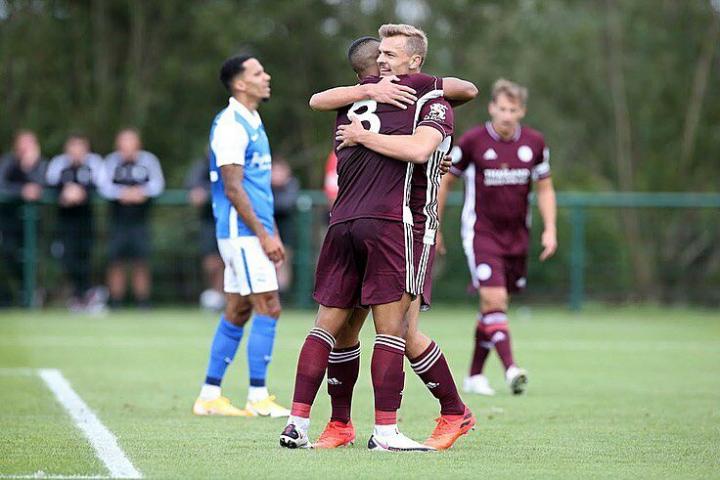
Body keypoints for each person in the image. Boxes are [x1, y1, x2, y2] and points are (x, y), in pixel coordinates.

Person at [281, 25, 474, 452]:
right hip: (364, 222)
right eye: (380, 55)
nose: (384, 61)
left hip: (405, 223)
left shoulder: (423, 97)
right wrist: (369, 99)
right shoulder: (365, 96)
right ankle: (345, 424)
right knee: (355, 330)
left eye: (391, 53)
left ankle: (448, 412)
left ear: (414, 62)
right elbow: (319, 101)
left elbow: (429, 138)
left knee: (394, 331)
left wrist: (374, 137)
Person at [437, 78, 557, 396]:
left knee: (493, 307)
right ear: (491, 108)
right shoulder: (473, 141)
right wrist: (434, 225)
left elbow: (545, 188)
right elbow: (445, 181)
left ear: (522, 112)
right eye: (501, 109)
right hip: (481, 234)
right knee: (494, 300)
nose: (506, 115)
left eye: (512, 110)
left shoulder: (534, 143)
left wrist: (550, 228)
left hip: (517, 237)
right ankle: (511, 369)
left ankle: (474, 376)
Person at [192, 54, 289, 418]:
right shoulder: (231, 125)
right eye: (258, 73)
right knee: (270, 306)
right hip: (242, 232)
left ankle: (209, 395)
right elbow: (233, 188)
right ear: (240, 83)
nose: (267, 76)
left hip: (252, 232)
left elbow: (258, 188)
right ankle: (258, 397)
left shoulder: (252, 120)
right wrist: (263, 234)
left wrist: (271, 230)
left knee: (238, 309)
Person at [98, 128, 165, 309]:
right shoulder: (111, 162)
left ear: (138, 144)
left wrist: (141, 192)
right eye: (123, 143)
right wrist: (122, 193)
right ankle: (115, 302)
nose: (127, 147)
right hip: (117, 220)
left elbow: (158, 184)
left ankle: (143, 302)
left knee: (141, 262)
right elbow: (103, 185)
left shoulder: (149, 161)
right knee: (115, 262)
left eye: (130, 142)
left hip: (141, 220)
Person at [46, 133, 105, 311]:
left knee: (85, 257)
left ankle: (85, 295)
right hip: (64, 220)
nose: (77, 151)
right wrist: (64, 193)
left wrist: (82, 193)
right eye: (73, 146)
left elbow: (102, 185)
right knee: (66, 257)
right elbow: (49, 184)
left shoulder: (94, 163)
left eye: (80, 147)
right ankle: (81, 294)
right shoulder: (58, 164)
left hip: (86, 219)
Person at [0, 130, 47, 307]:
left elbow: (42, 185)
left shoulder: (41, 164)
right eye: (23, 143)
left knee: (33, 258)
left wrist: (28, 169)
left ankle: (31, 293)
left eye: (30, 143)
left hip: (34, 223)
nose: (26, 147)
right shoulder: (8, 162)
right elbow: (2, 185)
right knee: (9, 255)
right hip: (9, 222)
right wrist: (21, 191)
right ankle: (20, 292)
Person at [185, 155, 225, 311]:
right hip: (209, 221)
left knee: (229, 261)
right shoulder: (202, 166)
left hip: (234, 220)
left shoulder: (237, 162)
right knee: (211, 263)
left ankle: (226, 297)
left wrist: (208, 193)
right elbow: (192, 186)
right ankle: (215, 295)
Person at [270, 157, 299, 294]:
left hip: (286, 229)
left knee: (284, 260)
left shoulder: (291, 184)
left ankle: (282, 294)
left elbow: (286, 205)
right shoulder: (265, 186)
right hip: (268, 230)